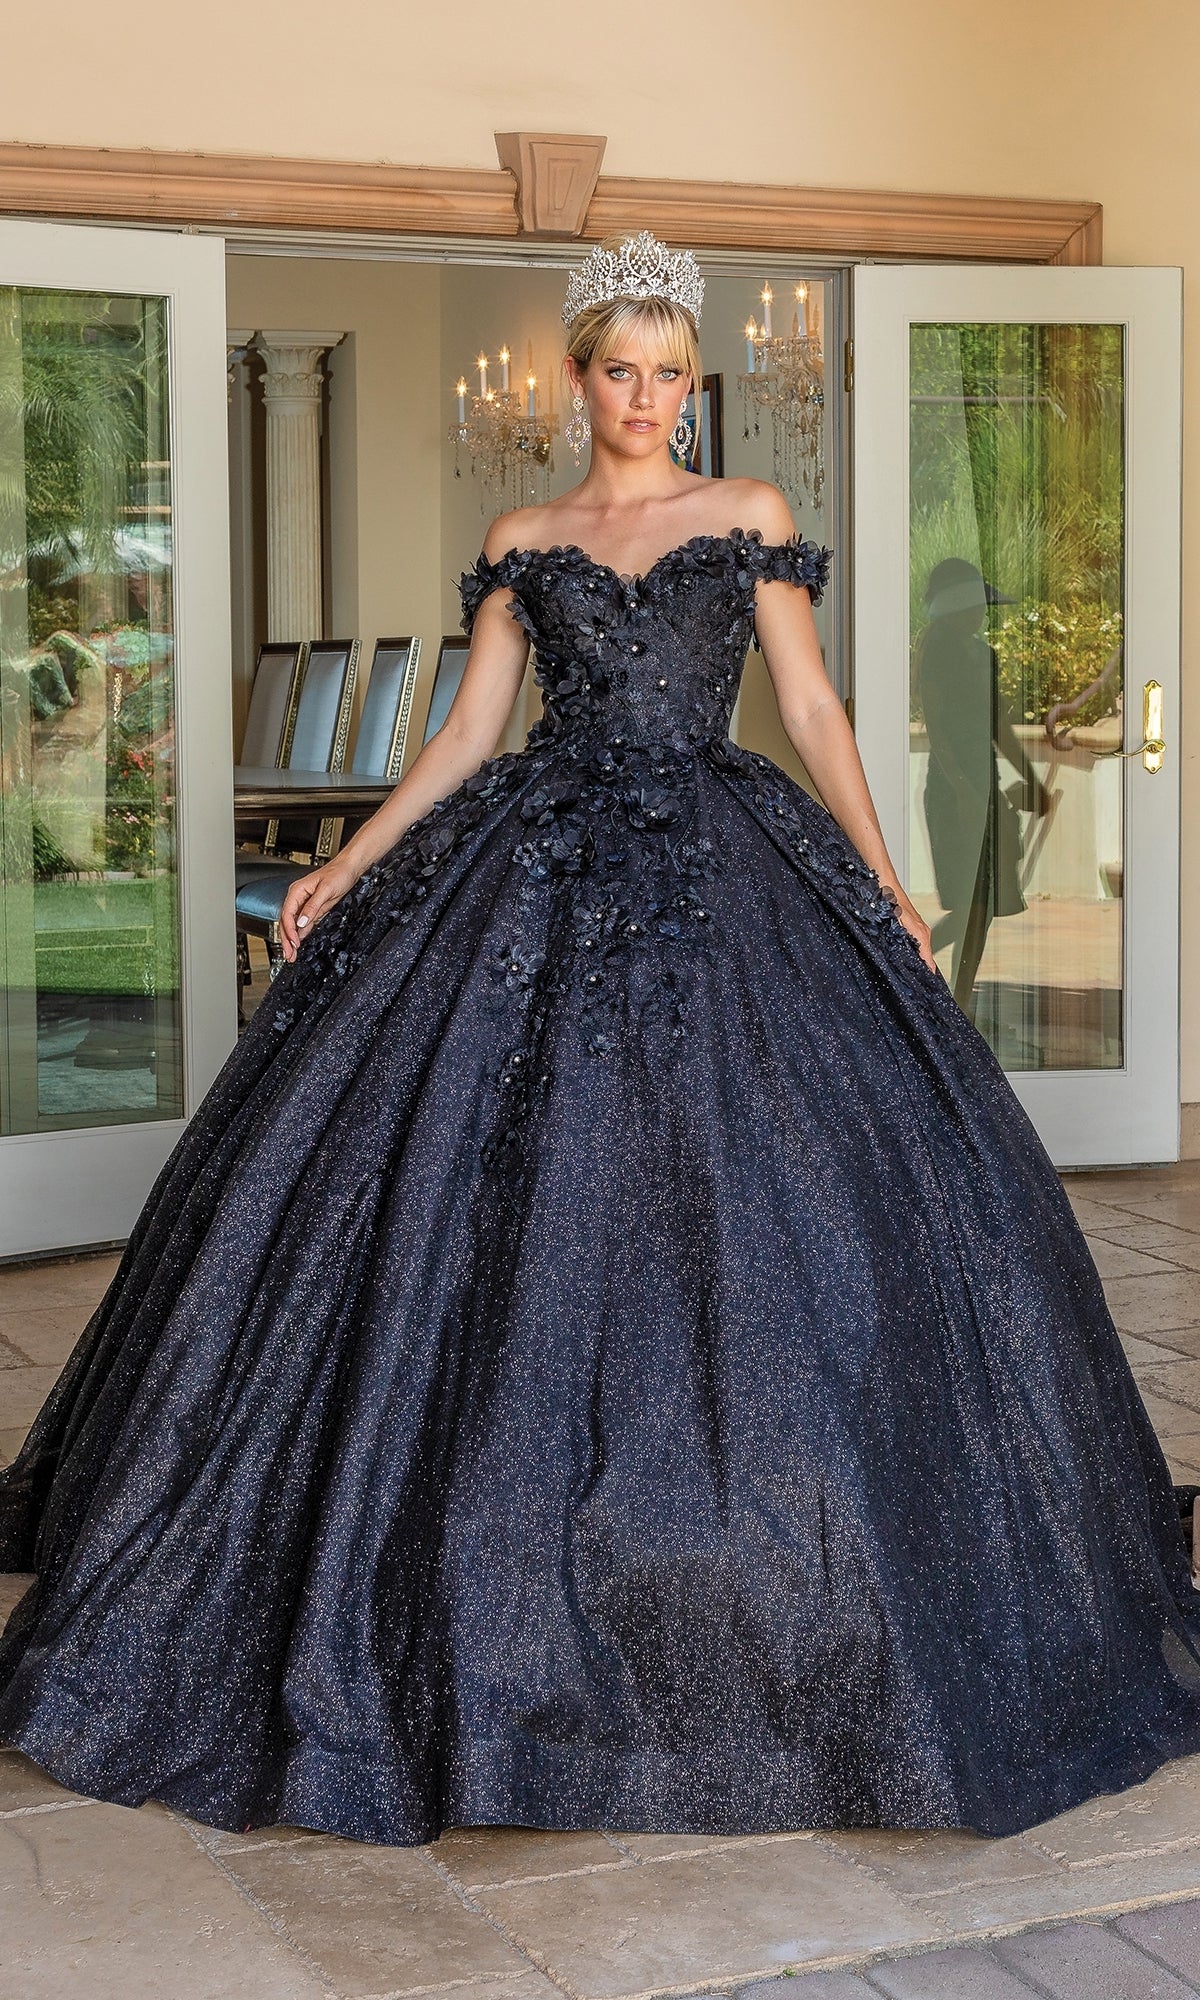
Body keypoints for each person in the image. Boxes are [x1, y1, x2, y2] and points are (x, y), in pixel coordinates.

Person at [2, 230, 1199, 1849]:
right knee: (506, 1210)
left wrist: (888, 879)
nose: (643, 396)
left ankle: (741, 1545)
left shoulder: (749, 520)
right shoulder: (525, 534)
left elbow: (819, 710)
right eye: (617, 369)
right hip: (538, 864)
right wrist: (350, 868)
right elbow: (467, 732)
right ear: (580, 376)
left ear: (692, 381)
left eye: (666, 372)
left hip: (725, 869)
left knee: (757, 1203)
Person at [916, 558, 1051, 1011]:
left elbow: (1000, 729)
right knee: (972, 904)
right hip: (954, 789)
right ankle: (911, 970)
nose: (980, 614)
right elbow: (936, 725)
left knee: (986, 904)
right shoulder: (935, 648)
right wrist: (961, 790)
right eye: (973, 604)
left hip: (985, 787)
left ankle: (959, 1001)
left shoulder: (983, 656)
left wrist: (1030, 782)